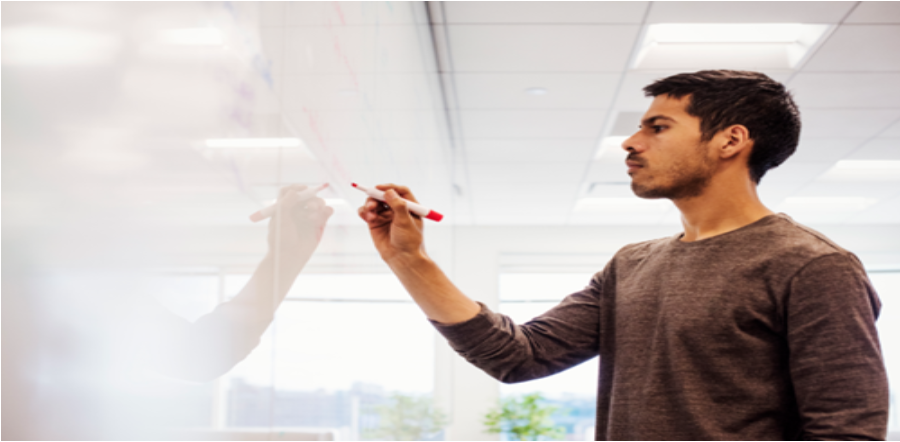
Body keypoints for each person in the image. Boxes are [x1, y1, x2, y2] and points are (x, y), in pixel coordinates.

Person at [357, 70, 888, 440]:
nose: (630, 142)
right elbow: (519, 356)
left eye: (657, 127)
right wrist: (410, 260)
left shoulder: (812, 266)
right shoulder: (631, 265)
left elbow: (846, 432)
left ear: (731, 141)